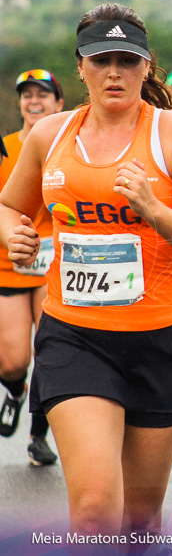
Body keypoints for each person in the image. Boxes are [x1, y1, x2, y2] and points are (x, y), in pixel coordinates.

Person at [0, 3, 172, 535]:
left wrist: (154, 210)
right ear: (80, 66)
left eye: (128, 60)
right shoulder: (50, 135)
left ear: (146, 67)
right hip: (75, 339)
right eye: (101, 60)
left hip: (163, 341)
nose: (114, 73)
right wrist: (11, 232)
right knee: (96, 511)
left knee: (140, 521)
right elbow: (9, 205)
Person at [0, 69, 64, 467]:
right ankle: (15, 390)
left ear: (59, 103)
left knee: (52, 352)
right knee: (13, 360)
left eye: (44, 94)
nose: (35, 100)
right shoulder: (4, 149)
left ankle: (38, 436)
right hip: (7, 264)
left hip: (53, 265)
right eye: (28, 94)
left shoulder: (71, 147)